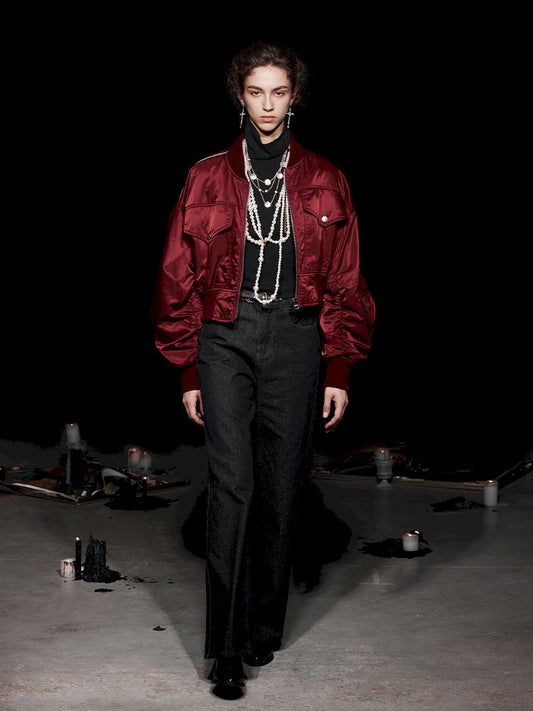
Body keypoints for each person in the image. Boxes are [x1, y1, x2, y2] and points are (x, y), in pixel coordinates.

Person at [152, 40, 376, 700]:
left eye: (279, 92)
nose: (268, 105)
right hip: (224, 336)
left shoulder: (327, 178)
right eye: (256, 92)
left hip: (298, 338)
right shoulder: (204, 177)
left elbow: (346, 279)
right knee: (232, 485)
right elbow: (175, 276)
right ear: (240, 97)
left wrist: (338, 365)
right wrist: (188, 370)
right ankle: (225, 649)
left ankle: (262, 626)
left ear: (294, 96)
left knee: (282, 488)